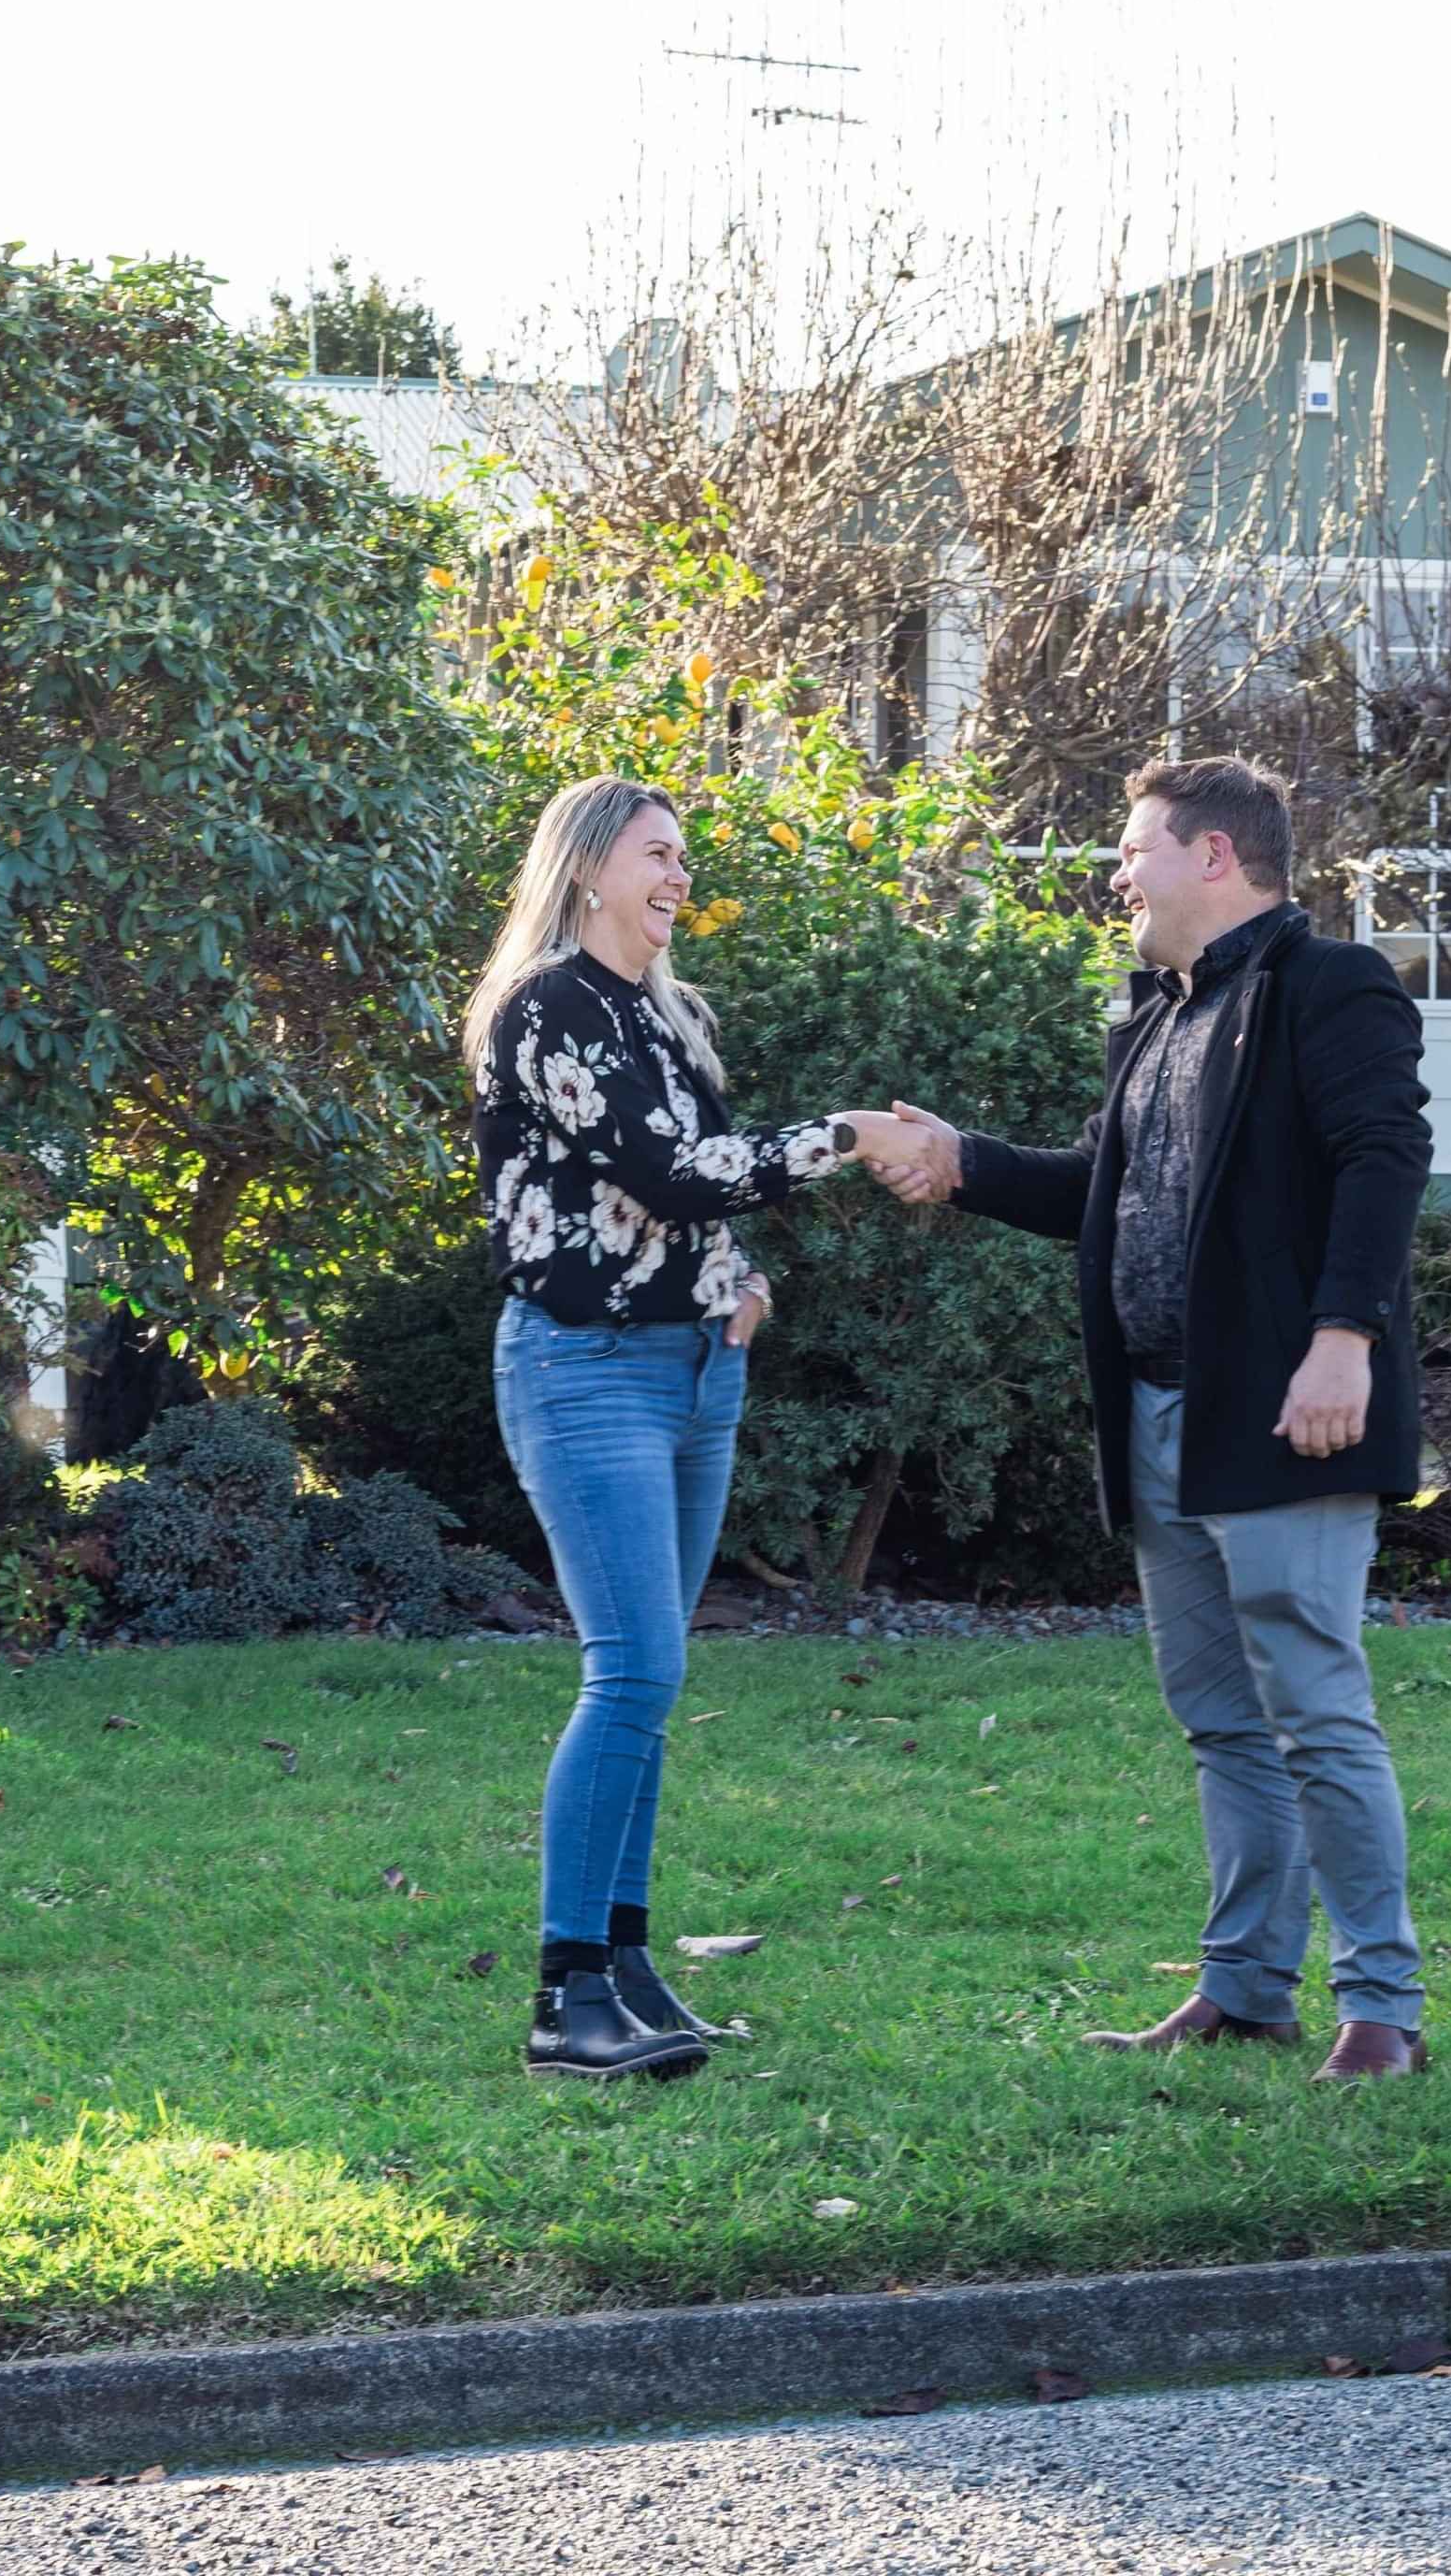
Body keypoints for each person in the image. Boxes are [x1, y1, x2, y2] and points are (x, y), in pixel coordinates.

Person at [839, 756, 1436, 2080]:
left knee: (1316, 1710)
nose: (1118, 873)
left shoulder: (1328, 988)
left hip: (1291, 1414)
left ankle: (1382, 2011)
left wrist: (1345, 1343)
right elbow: (1108, 1198)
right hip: (1167, 1410)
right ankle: (1245, 1991)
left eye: (1135, 850)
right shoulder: (1158, 1020)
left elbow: (1384, 1163)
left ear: (1214, 855)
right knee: (1223, 1717)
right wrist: (961, 1162)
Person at [470, 774, 858, 2080]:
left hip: (694, 1374)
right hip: (585, 1374)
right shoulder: (549, 1011)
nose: (679, 875)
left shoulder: (663, 1017)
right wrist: (843, 1136)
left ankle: (626, 1970)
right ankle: (561, 1995)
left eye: (685, 856)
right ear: (587, 869)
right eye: (657, 855)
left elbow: (692, 1209)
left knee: (656, 1677)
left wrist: (741, 1287)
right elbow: (668, 1172)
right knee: (631, 1671)